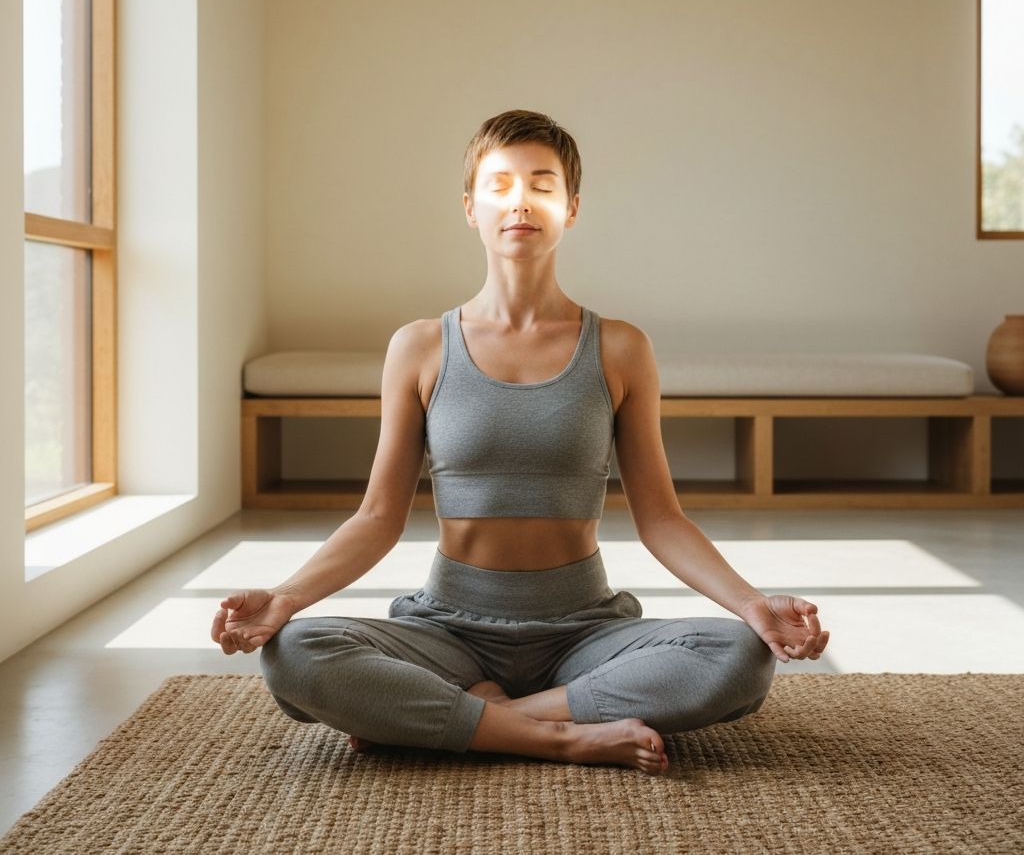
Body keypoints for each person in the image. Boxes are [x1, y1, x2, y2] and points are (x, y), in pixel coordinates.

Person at [211, 109, 830, 776]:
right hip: (447, 633)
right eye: (500, 184)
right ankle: (560, 735)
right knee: (296, 651)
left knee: (739, 656)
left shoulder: (621, 348)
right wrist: (285, 599)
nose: (521, 202)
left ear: (572, 208)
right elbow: (378, 517)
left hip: (583, 632)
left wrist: (751, 604)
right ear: (470, 207)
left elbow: (662, 519)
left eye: (542, 185)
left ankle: (459, 721)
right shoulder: (419, 347)